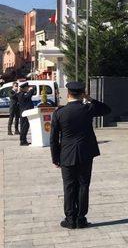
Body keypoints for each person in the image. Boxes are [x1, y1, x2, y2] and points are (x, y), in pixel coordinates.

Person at [50, 82, 111, 229]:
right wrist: (90, 99)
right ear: (82, 94)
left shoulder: (59, 112)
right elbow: (106, 109)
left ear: (68, 94)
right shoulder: (88, 108)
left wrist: (55, 158)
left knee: (69, 186)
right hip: (85, 153)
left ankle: (70, 219)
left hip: (66, 154)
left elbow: (53, 139)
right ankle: (81, 218)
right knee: (83, 185)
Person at [16, 82, 36, 146]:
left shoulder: (23, 93)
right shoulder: (21, 94)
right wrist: (31, 90)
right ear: (24, 88)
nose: (28, 88)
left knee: (25, 127)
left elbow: (30, 95)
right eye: (27, 87)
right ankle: (22, 141)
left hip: (26, 113)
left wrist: (31, 90)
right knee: (24, 127)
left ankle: (24, 140)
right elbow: (28, 96)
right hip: (24, 113)